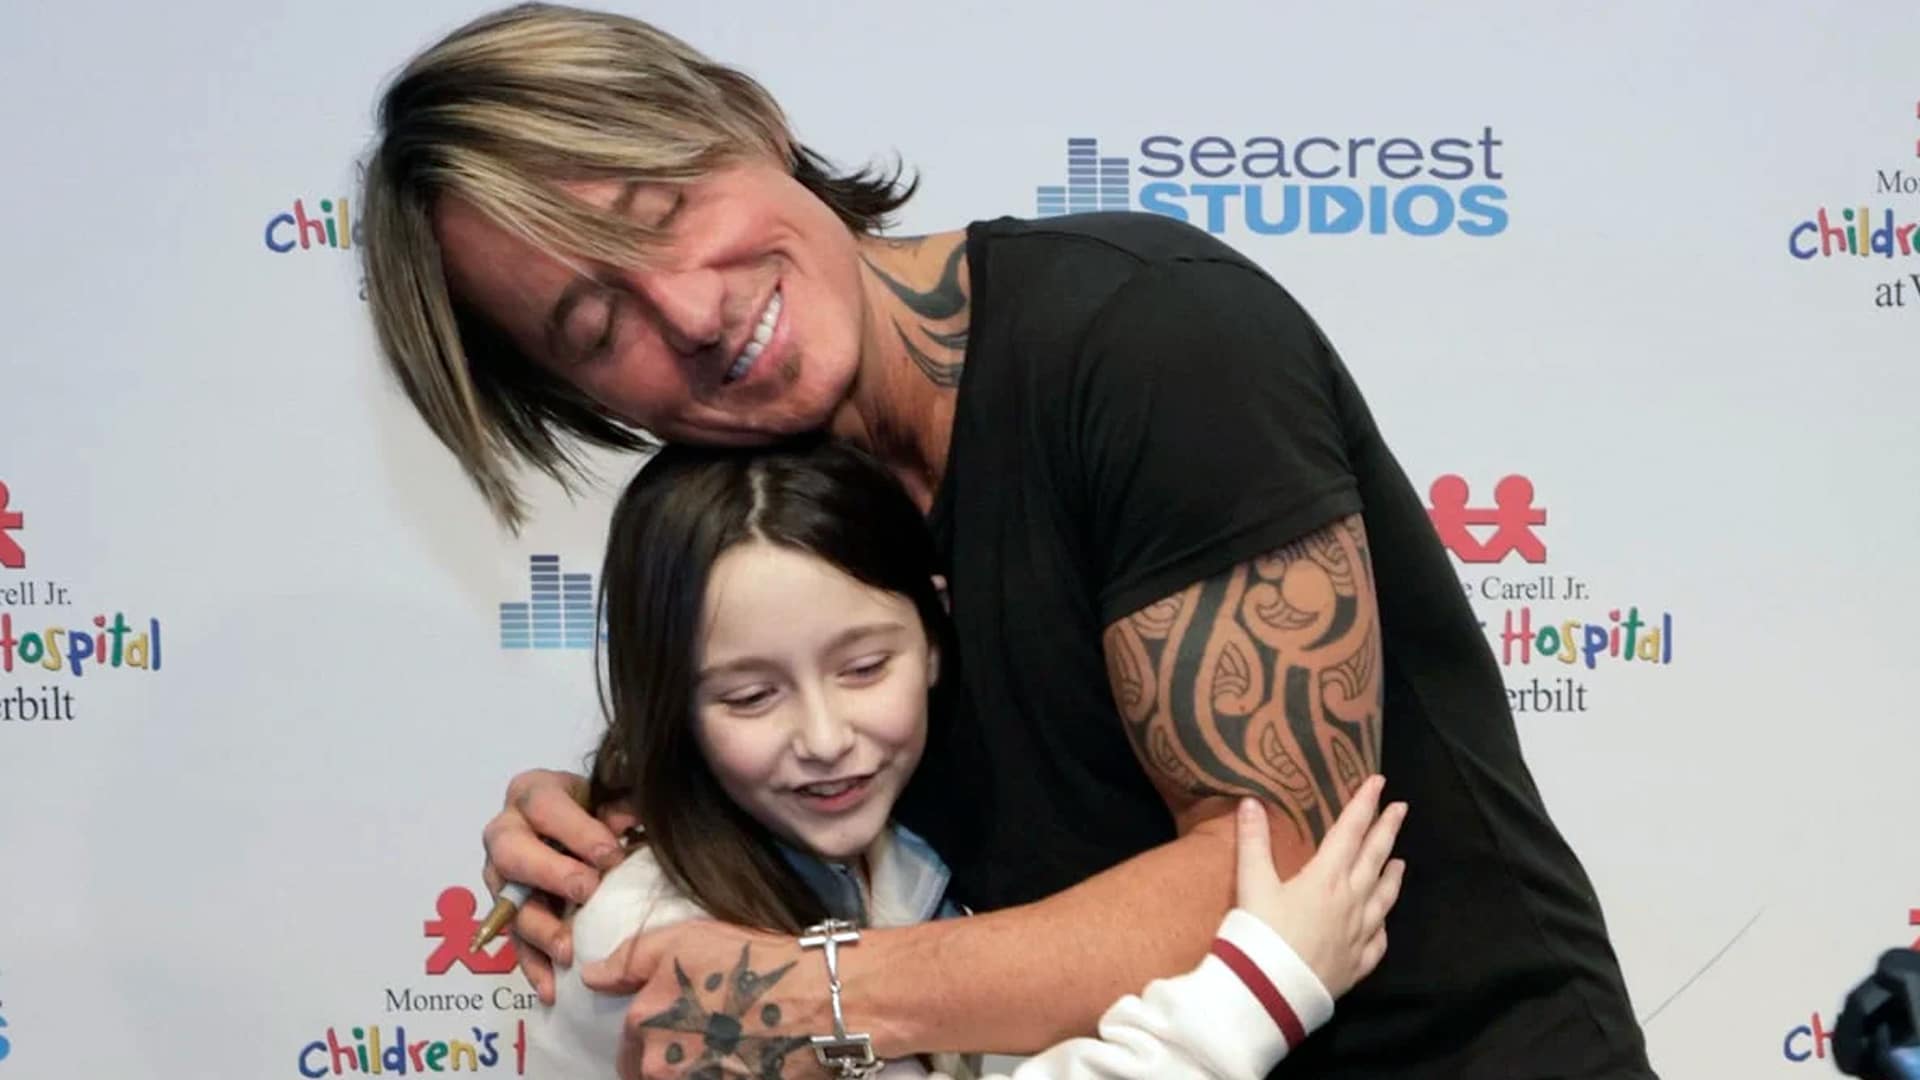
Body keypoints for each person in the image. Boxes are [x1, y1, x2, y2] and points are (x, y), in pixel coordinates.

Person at [360, 4, 1657, 1076]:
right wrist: (593, 843)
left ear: (747, 120)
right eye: (596, 328)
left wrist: (810, 994)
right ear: (576, 399)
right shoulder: (750, 520)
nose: (691, 311)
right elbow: (736, 821)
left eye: (661, 208)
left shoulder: (1148, 343)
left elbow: (1271, 873)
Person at [530, 437, 1406, 1079]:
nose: (827, 736)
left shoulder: (923, 850)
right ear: (670, 703)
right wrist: (1260, 993)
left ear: (936, 633)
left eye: (866, 667)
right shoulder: (646, 942)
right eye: (750, 696)